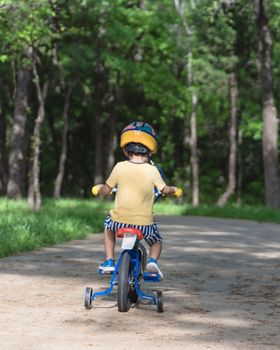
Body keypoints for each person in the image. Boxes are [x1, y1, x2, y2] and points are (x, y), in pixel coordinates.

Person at [92, 121, 182, 280]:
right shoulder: (153, 170)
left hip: (118, 222)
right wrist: (174, 190)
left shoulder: (119, 167)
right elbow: (164, 190)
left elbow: (106, 190)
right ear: (151, 151)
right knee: (156, 240)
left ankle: (109, 261)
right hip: (144, 225)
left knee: (107, 226)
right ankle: (153, 261)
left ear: (126, 151)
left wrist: (98, 188)